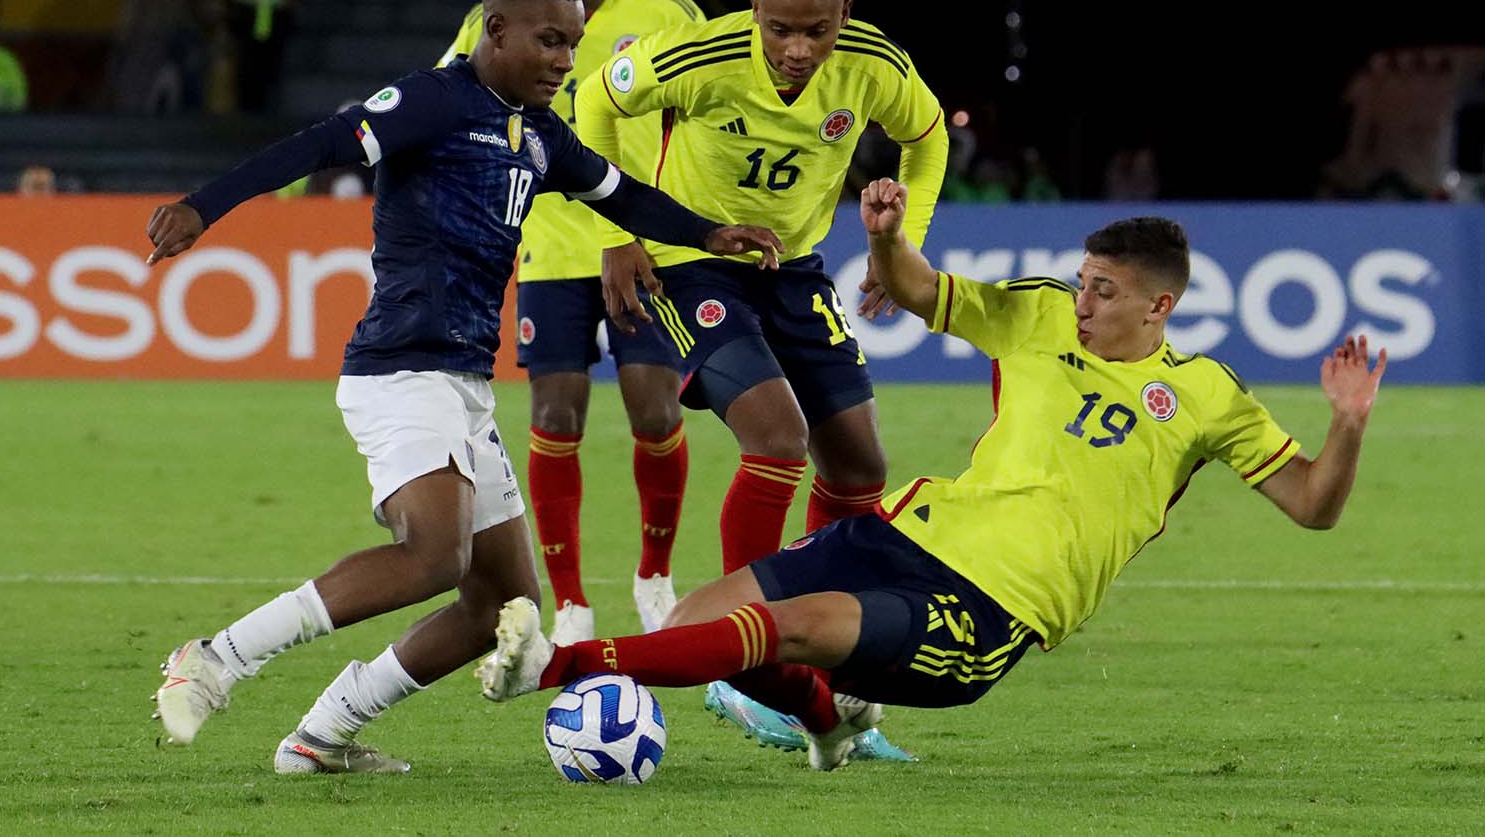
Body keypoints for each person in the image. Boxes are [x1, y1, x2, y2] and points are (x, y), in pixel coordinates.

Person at [477, 182, 1388, 772]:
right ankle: (831, 725)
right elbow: (915, 288)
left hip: (992, 606)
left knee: (783, 628)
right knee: (695, 626)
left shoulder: (1206, 395)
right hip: (904, 533)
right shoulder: (1035, 315)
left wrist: (1344, 425)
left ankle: (550, 667)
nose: (1081, 300)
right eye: (1080, 280)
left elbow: (1311, 504)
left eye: (1103, 290)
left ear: (1161, 304)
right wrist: (882, 238)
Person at [147, 0, 782, 775]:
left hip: (463, 387)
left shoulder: (537, 134)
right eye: (549, 41)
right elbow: (320, 144)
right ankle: (217, 658)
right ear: (495, 28)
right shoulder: (431, 103)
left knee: (503, 603)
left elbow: (617, 192)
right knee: (432, 554)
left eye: (574, 44)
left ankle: (320, 737)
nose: (564, 60)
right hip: (398, 372)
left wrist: (706, 232)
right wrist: (204, 205)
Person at [573, 0, 946, 756]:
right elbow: (596, 100)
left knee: (857, 467)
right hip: (693, 262)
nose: (796, 48)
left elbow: (928, 138)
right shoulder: (696, 56)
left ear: (843, 15)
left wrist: (902, 248)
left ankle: (820, 664)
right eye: (779, 28)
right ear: (754, 9)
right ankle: (745, 665)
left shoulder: (874, 65)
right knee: (776, 436)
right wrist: (619, 227)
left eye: (815, 29)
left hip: (793, 267)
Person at [436, 0, 705, 645]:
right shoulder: (497, 18)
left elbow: (706, 119)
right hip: (550, 246)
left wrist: (656, 225)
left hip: (643, 245)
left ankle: (654, 576)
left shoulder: (669, 15)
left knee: (656, 412)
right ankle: (573, 602)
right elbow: (453, 105)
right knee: (557, 416)